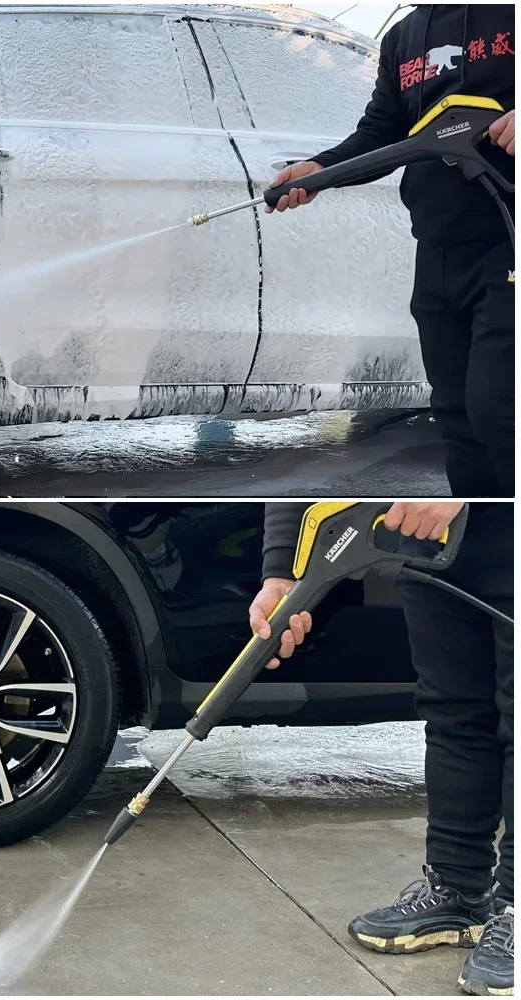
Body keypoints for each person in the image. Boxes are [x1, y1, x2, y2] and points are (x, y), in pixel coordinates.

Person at [252, 501, 513, 997]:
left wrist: (460, 485)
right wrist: (283, 568)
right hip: (428, 538)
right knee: (452, 710)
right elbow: (311, 433)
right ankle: (458, 890)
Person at [268, 5, 515, 498]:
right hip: (438, 250)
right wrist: (319, 170)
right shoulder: (404, 36)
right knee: (457, 417)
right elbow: (382, 131)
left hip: (508, 242)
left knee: (501, 409)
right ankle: (489, 560)